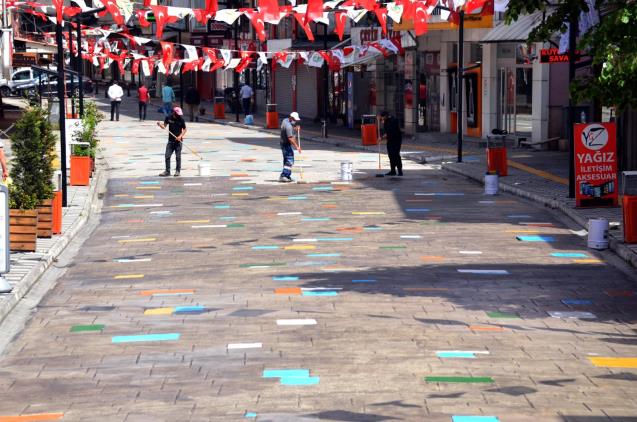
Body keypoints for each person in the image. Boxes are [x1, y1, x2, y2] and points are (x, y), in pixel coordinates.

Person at [157, 107, 187, 177]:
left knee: (178, 157)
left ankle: (177, 171)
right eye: (178, 114)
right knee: (167, 156)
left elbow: (185, 129)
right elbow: (164, 126)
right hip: (170, 141)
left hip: (178, 142)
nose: (179, 115)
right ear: (174, 113)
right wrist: (159, 124)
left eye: (180, 114)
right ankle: (167, 171)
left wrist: (180, 136)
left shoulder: (181, 120)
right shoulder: (168, 118)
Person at [279, 112, 302, 183]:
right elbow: (290, 138)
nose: (295, 121)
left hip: (283, 143)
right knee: (289, 160)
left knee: (286, 160)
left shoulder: (285, 120)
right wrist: (297, 147)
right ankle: (284, 176)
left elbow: (289, 127)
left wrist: (295, 128)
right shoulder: (288, 126)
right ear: (291, 118)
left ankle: (287, 175)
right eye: (294, 119)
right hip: (286, 144)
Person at [379, 111, 403, 176]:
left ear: (385, 116)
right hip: (391, 139)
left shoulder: (390, 122)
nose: (382, 119)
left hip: (396, 140)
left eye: (382, 117)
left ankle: (400, 171)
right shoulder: (388, 120)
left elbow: (388, 132)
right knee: (391, 155)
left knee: (395, 155)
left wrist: (381, 138)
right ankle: (393, 171)